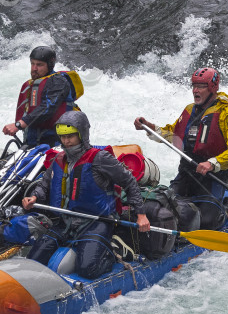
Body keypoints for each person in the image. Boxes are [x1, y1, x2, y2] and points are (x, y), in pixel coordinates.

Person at [21, 111, 150, 279]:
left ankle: (115, 249)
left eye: (70, 137)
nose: (66, 141)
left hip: (96, 222)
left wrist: (141, 215)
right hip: (65, 221)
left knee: (88, 269)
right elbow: (44, 185)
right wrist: (35, 197)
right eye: (62, 137)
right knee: (33, 261)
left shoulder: (100, 158)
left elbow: (129, 182)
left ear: (82, 134)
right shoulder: (59, 159)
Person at [134, 67, 228, 226]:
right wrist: (149, 127)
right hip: (186, 173)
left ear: (212, 87)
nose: (195, 90)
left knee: (207, 222)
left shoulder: (227, 113)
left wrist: (212, 163)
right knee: (159, 209)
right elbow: (173, 135)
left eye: (200, 86)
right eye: (193, 85)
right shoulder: (189, 109)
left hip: (212, 177)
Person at [2, 46, 80, 147]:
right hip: (34, 141)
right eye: (32, 64)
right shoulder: (32, 84)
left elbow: (48, 107)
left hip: (56, 142)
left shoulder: (58, 81)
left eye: (39, 65)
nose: (34, 68)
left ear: (50, 65)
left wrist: (19, 124)